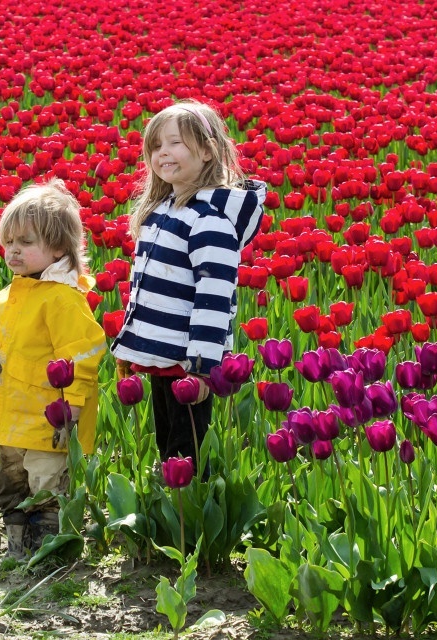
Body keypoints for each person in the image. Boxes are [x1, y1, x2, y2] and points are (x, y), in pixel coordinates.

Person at [111, 100, 265, 472]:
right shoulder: (162, 211)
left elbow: (213, 300)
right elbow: (145, 292)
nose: (163, 153)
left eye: (175, 143)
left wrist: (200, 369)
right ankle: (172, 512)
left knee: (187, 450)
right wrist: (131, 347)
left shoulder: (210, 221)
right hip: (162, 354)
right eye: (155, 146)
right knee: (168, 443)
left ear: (209, 150)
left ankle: (191, 516)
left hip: (188, 361)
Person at [0, 179, 106, 564]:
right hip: (10, 414)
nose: (14, 251)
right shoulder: (8, 296)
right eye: (8, 242)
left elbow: (82, 356)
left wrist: (74, 407)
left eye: (26, 243)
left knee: (47, 485)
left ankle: (50, 555)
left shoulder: (63, 299)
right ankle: (16, 552)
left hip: (49, 416)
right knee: (12, 481)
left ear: (58, 248)